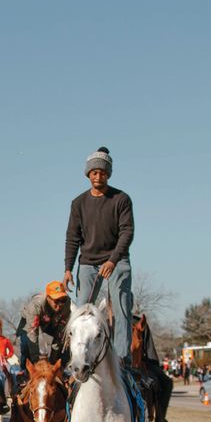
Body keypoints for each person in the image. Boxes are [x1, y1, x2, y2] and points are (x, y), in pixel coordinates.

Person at [63, 146, 135, 366]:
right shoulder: (79, 203)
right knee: (81, 310)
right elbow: (72, 237)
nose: (98, 176)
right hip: (88, 262)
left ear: (108, 174)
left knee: (121, 306)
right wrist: (68, 268)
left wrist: (113, 260)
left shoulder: (121, 199)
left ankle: (122, 358)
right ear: (88, 174)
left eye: (102, 172)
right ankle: (77, 358)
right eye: (94, 172)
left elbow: (127, 232)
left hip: (117, 259)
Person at [16, 280, 72, 371]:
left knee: (68, 340)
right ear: (48, 298)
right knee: (26, 343)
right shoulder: (36, 305)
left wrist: (53, 364)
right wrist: (36, 363)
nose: (60, 304)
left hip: (51, 321)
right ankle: (23, 370)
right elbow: (32, 335)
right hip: (29, 320)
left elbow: (60, 334)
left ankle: (61, 370)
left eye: (63, 300)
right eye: (57, 301)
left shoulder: (66, 305)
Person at [133, 314, 173, 422]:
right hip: (118, 363)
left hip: (141, 362)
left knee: (166, 382)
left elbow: (149, 349)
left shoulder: (139, 322)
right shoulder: (110, 321)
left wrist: (153, 365)